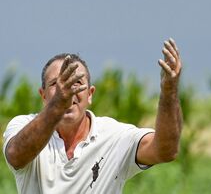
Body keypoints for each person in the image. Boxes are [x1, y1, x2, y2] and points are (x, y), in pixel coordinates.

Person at [2, 38, 183, 194]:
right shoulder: (23, 125)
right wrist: (57, 106)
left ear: (90, 94)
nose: (67, 91)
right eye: (56, 84)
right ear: (43, 95)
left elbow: (166, 150)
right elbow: (16, 155)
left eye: (77, 83)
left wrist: (169, 92)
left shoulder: (115, 136)